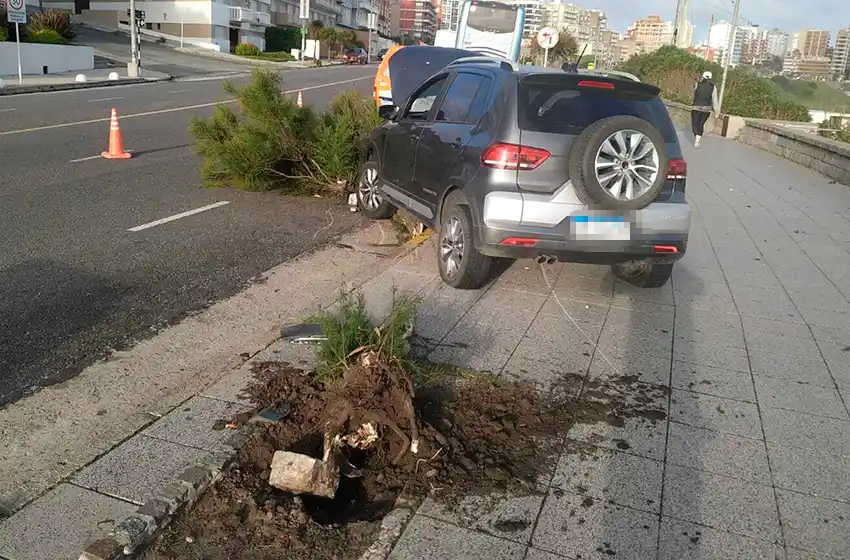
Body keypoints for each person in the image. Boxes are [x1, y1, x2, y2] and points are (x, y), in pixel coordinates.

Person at [691, 70, 720, 148]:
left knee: (694, 124)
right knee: (700, 124)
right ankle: (697, 141)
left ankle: (696, 138)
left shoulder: (697, 84)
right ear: (710, 78)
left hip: (696, 107)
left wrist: (692, 102)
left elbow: (693, 94)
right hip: (706, 109)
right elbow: (715, 100)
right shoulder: (713, 87)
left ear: (703, 77)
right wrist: (717, 112)